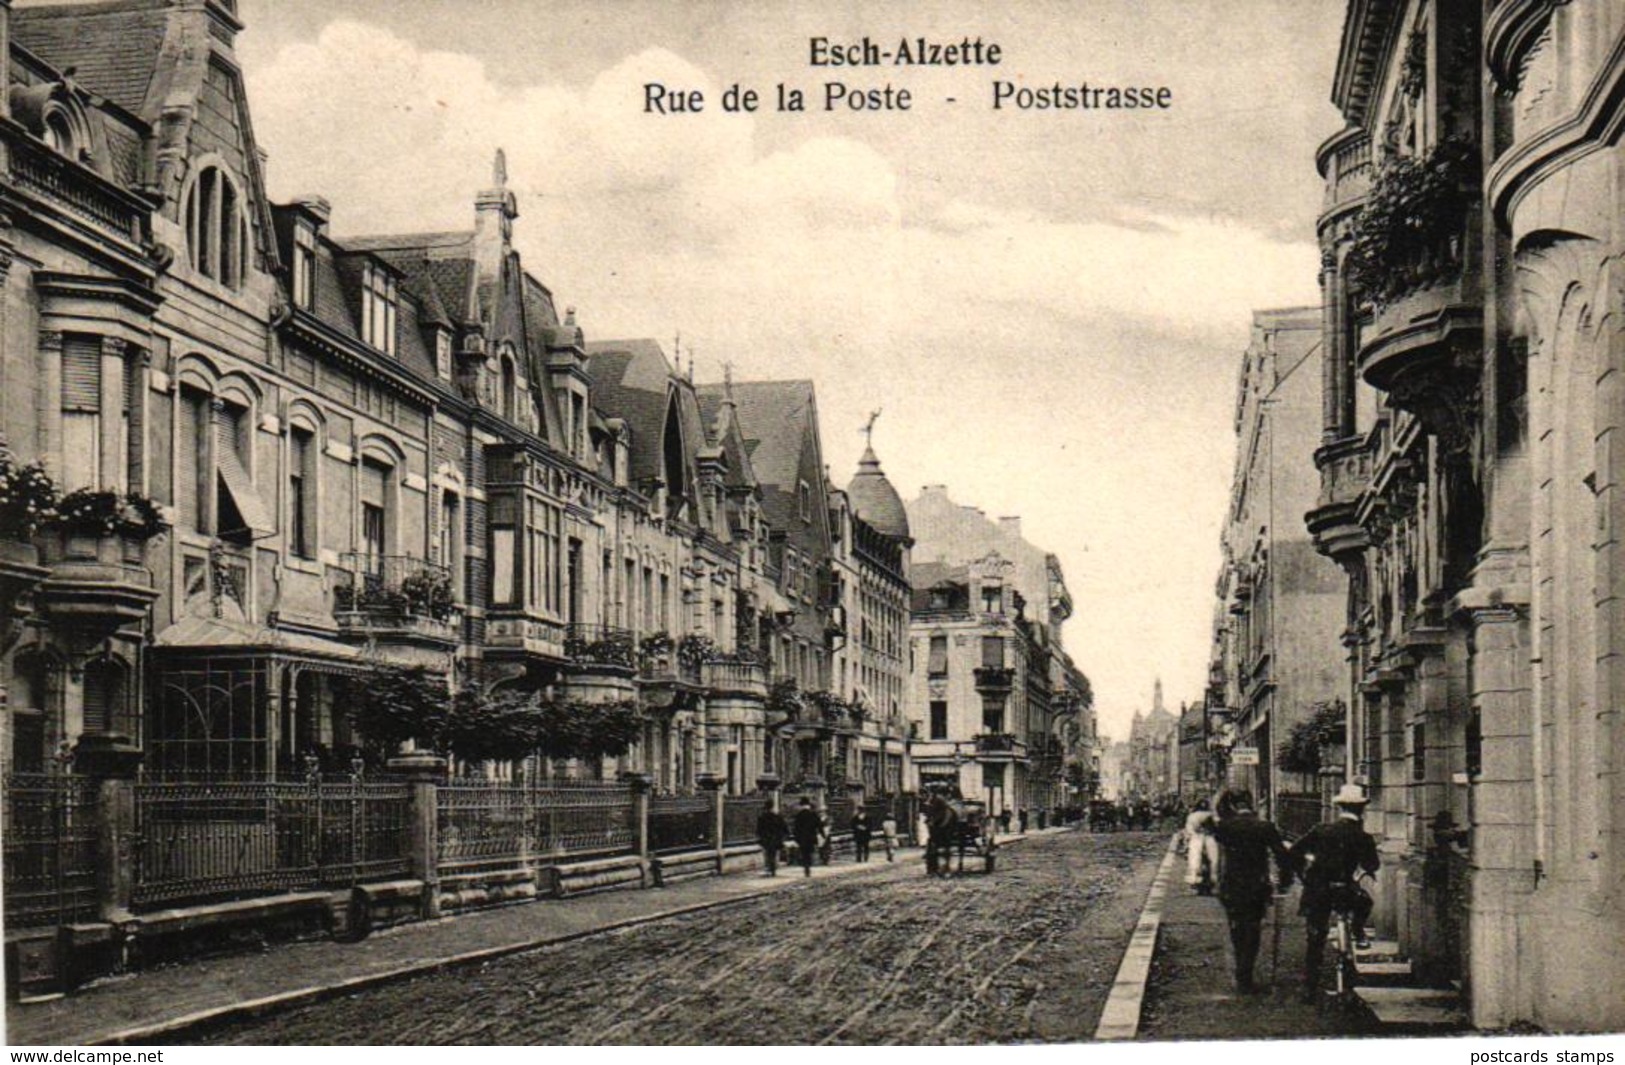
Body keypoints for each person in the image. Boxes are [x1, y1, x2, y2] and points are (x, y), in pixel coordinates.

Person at [1288, 783, 1380, 1002]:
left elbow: (1294, 852)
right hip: (1344, 890)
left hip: (1317, 891)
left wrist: (1305, 876)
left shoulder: (1321, 830)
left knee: (1315, 937)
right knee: (1364, 903)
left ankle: (1309, 988)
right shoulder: (1363, 837)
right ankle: (1358, 933)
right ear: (1361, 809)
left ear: (1340, 807)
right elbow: (1372, 865)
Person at [1209, 788, 1293, 994]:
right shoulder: (1265, 827)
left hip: (1231, 885)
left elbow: (1214, 844)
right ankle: (1246, 973)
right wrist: (1284, 881)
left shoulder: (1225, 827)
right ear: (1251, 802)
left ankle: (1241, 971)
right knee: (1253, 928)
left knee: (1236, 927)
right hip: (1257, 885)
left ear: (1233, 805)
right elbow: (1282, 856)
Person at [1183, 798, 1218, 894]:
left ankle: (1194, 881)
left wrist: (1188, 839)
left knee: (1194, 860)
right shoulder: (1212, 816)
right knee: (1214, 860)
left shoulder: (1192, 816)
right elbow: (1217, 828)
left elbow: (1189, 830)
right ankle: (1213, 880)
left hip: (1196, 839)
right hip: (1210, 839)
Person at [756, 803, 789, 877]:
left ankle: (769, 868)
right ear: (772, 808)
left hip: (766, 839)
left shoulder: (762, 817)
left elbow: (759, 829)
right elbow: (784, 828)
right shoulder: (777, 817)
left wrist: (760, 837)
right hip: (775, 839)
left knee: (768, 854)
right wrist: (783, 837)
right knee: (773, 854)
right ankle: (772, 869)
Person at [791, 798, 821, 878]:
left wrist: (795, 837)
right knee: (809, 852)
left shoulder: (799, 815)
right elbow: (819, 825)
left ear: (801, 805)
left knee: (804, 853)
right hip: (811, 837)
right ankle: (808, 867)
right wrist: (822, 835)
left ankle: (806, 867)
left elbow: (796, 828)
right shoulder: (813, 814)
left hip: (802, 838)